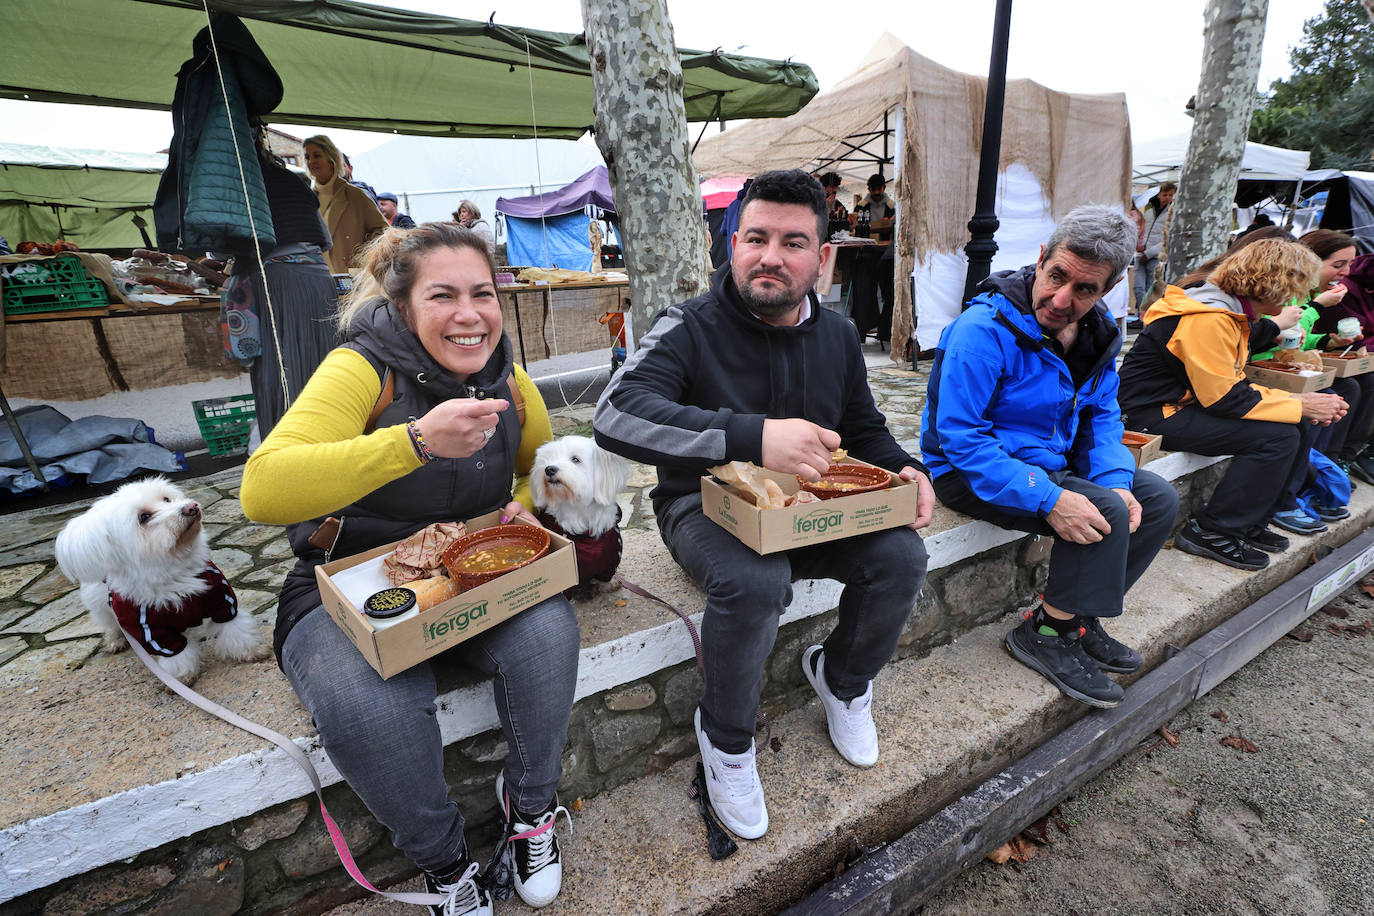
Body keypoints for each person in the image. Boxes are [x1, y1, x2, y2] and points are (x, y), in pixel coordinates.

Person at [240, 223, 578, 916]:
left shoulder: (508, 380)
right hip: (346, 583)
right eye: (443, 295)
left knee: (550, 633)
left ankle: (530, 813)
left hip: (475, 570)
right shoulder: (363, 368)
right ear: (402, 307)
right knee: (370, 709)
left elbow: (538, 471)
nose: (469, 314)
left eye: (483, 294)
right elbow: (262, 489)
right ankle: (446, 865)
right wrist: (416, 442)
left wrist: (517, 509)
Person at [592, 169, 934, 841]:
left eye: (793, 241)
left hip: (813, 507)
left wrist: (904, 467)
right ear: (734, 244)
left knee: (900, 553)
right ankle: (725, 738)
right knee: (755, 579)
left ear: (823, 258)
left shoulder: (837, 335)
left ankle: (841, 680)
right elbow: (616, 413)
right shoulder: (689, 325)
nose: (770, 256)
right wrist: (752, 436)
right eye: (755, 237)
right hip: (703, 505)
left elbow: (862, 428)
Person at [922, 205, 1179, 708]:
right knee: (1102, 509)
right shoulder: (983, 330)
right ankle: (1045, 633)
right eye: (1056, 275)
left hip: (1048, 462)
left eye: (1084, 289)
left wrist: (1117, 480)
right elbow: (963, 440)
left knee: (1155, 498)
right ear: (1041, 259)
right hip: (967, 471)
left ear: (1108, 288)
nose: (1061, 299)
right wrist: (1049, 497)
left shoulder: (1099, 337)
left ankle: (1077, 620)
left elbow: (1103, 420)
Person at [1119, 239, 1347, 571]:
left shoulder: (1225, 309)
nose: (1294, 299)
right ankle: (1213, 531)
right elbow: (1225, 398)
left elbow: (1227, 387)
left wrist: (1300, 406)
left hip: (1176, 404)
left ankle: (1252, 522)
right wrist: (1301, 403)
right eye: (1293, 289)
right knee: (1277, 437)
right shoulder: (1210, 316)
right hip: (1147, 413)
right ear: (1272, 284)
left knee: (1292, 425)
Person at [1303, 230, 1374, 483]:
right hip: (1280, 371)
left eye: (1350, 265)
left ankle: (1340, 459)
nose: (1345, 271)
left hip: (1314, 362)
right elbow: (1287, 334)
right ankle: (1323, 466)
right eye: (1337, 265)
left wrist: (1333, 340)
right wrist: (1319, 306)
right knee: (1346, 389)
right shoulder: (1301, 293)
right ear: (1310, 261)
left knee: (1364, 381)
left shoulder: (1331, 291)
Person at [303, 135, 388, 274]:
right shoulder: (307, 199)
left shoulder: (355, 195)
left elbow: (383, 232)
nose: (311, 161)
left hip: (352, 277)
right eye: (307, 157)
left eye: (316, 155)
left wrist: (360, 255)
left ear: (331, 160)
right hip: (321, 277)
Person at [850, 173, 897, 343]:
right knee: (863, 292)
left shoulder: (892, 206)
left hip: (888, 255)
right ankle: (862, 331)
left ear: (884, 188)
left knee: (890, 293)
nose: (877, 193)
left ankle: (886, 332)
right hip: (867, 254)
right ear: (869, 189)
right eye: (874, 190)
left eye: (880, 189)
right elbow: (854, 227)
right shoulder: (861, 207)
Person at [1133, 182, 1175, 309]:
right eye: (1165, 195)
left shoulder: (1173, 213)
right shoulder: (1149, 212)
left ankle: (1148, 316)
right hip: (1140, 254)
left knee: (1151, 288)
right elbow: (1141, 231)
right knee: (1138, 287)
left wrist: (1149, 252)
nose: (1168, 198)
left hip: (1155, 256)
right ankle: (1142, 315)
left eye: (1171, 195)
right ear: (1159, 196)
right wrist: (1138, 246)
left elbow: (1168, 239)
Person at [819, 171, 849, 238]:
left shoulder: (839, 205)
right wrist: (825, 206)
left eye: (836, 187)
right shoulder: (815, 203)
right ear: (823, 188)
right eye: (832, 187)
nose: (834, 190)